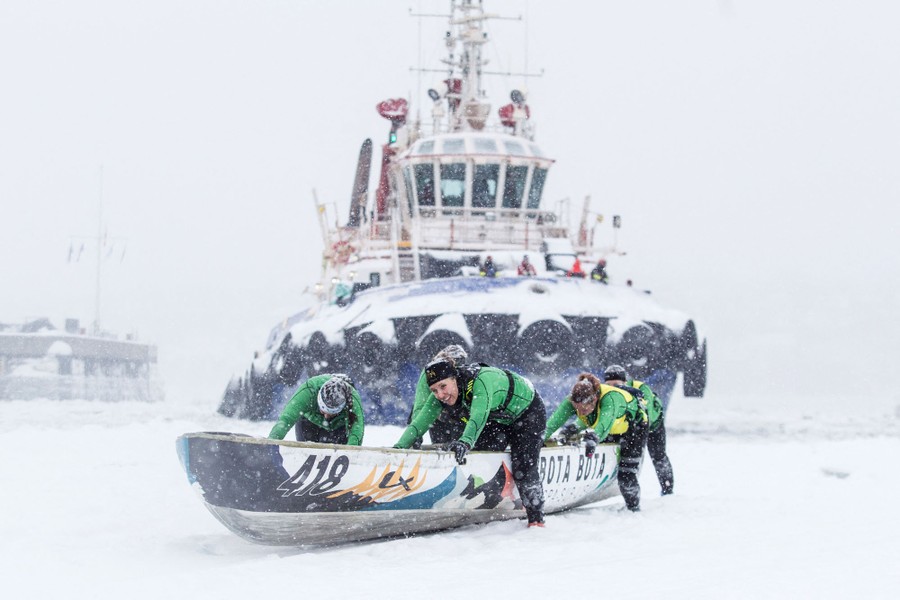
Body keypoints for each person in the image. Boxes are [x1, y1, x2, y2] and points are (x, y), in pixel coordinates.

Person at [394, 358, 548, 527]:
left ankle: (535, 517)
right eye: (434, 390)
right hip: (500, 419)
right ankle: (492, 492)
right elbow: (418, 424)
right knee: (481, 453)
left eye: (443, 387)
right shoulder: (439, 396)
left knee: (524, 465)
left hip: (528, 415)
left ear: (454, 379)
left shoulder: (480, 382)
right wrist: (398, 448)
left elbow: (478, 417)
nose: (440, 395)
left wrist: (465, 442)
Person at [544, 372, 648, 511]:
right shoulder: (573, 401)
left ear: (594, 399)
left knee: (626, 474)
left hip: (634, 427)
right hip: (612, 426)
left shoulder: (610, 399)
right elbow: (552, 423)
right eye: (577, 409)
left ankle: (633, 509)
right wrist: (539, 438)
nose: (580, 413)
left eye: (584, 409)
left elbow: (604, 424)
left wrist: (594, 437)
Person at [603, 364, 673, 495]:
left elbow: (647, 413)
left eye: (617, 384)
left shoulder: (639, 388)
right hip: (631, 425)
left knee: (658, 457)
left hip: (653, 424)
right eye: (609, 385)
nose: (614, 388)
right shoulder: (608, 393)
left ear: (625, 382)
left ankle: (667, 490)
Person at [268, 373, 365, 445]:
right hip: (309, 423)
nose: (326, 416)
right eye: (323, 410)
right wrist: (270, 444)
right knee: (306, 454)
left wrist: (350, 456)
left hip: (339, 428)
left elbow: (356, 434)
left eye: (332, 413)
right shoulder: (308, 391)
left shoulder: (353, 400)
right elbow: (286, 420)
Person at [405, 344, 470, 448]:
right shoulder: (429, 374)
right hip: (437, 417)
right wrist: (416, 435)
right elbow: (420, 405)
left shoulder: (463, 372)